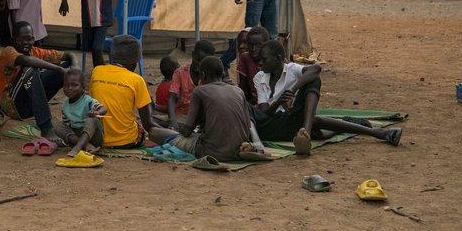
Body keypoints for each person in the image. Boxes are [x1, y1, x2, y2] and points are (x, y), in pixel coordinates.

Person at [253, 40, 401, 155]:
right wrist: (279, 101)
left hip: (293, 116)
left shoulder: (291, 69)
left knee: (313, 80)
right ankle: (312, 130)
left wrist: (293, 89)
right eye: (258, 60)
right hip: (278, 123)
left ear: (278, 58)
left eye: (264, 59)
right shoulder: (259, 78)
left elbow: (316, 68)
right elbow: (264, 113)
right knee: (318, 129)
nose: (260, 63)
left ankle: (306, 131)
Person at [150, 58, 269, 161]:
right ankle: (251, 147)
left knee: (154, 132)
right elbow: (249, 123)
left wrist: (176, 130)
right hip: (236, 149)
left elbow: (187, 130)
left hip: (210, 150)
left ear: (203, 75)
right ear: (222, 73)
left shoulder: (200, 91)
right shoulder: (238, 91)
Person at [0, 21, 76, 140]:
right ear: (14, 40)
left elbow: (69, 55)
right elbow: (27, 61)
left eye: (28, 39)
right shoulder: (8, 52)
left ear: (33, 39)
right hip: (13, 106)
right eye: (20, 40)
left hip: (29, 106)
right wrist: (58, 69)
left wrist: (75, 67)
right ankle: (46, 128)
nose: (25, 43)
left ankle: (75, 117)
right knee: (30, 70)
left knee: (67, 67)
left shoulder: (35, 51)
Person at [88, 35, 154, 149]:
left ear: (113, 54)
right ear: (135, 60)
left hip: (97, 139)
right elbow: (148, 124)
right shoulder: (137, 80)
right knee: (142, 121)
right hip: (126, 141)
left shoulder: (97, 71)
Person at [164, 40, 217, 130]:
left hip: (202, 119)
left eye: (203, 62)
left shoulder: (210, 77)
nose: (199, 64)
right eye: (197, 59)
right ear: (192, 54)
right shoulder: (180, 73)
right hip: (181, 116)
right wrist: (172, 120)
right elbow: (172, 98)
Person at [58, 68, 108, 158]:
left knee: (91, 119)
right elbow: (67, 125)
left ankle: (77, 148)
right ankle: (86, 146)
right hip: (76, 137)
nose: (70, 88)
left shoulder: (88, 101)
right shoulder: (65, 104)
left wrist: (96, 112)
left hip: (93, 137)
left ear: (83, 88)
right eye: (66, 85)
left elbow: (104, 109)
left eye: (75, 85)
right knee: (56, 125)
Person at [151, 56, 180, 126]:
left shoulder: (161, 85)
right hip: (168, 117)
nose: (180, 66)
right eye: (178, 64)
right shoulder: (173, 88)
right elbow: (171, 108)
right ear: (176, 71)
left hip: (159, 115)